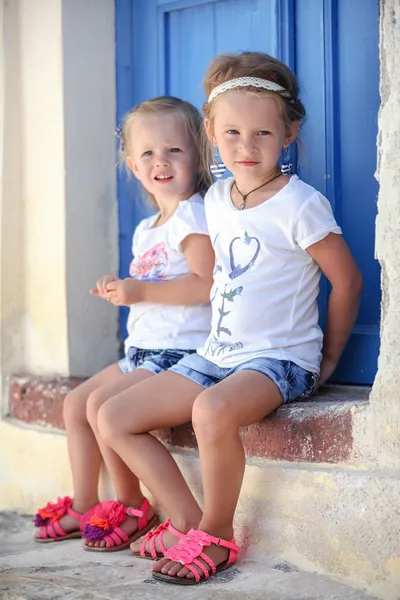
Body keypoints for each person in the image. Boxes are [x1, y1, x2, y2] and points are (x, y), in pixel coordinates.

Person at [95, 51, 362, 582]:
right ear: (212, 134)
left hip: (279, 357)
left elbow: (347, 279)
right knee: (113, 417)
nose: (247, 146)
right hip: (218, 352)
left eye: (262, 133)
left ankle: (216, 535)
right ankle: (186, 520)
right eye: (233, 133)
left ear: (289, 133)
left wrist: (328, 355)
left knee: (212, 411)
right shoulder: (217, 198)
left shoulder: (299, 204)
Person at [33, 96, 214, 552]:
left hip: (177, 354)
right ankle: (86, 501)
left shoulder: (192, 215)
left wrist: (140, 291)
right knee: (77, 403)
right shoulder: (148, 226)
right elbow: (151, 283)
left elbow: (205, 284)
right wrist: (120, 288)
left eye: (174, 149)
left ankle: (133, 505)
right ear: (133, 165)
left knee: (99, 407)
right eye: (149, 153)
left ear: (197, 154)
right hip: (142, 351)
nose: (161, 161)